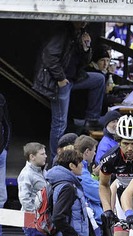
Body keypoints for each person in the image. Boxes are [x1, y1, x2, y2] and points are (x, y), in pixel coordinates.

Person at [32, 21, 105, 164]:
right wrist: (60, 78)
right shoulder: (63, 33)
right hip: (60, 82)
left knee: (99, 79)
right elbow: (49, 56)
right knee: (59, 123)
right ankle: (55, 160)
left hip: (74, 78)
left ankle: (92, 120)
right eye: (81, 19)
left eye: (87, 20)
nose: (85, 22)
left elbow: (84, 61)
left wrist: (86, 47)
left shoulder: (80, 33)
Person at [18, 142, 49, 236]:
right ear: (32, 157)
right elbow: (24, 199)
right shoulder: (27, 174)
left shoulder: (40, 170)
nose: (46, 156)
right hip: (33, 221)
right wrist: (36, 217)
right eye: (42, 154)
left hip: (39, 219)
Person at [0, 93, 13, 236]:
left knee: (1, 197)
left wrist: (5, 148)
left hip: (0, 153)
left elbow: (7, 124)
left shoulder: (1, 98)